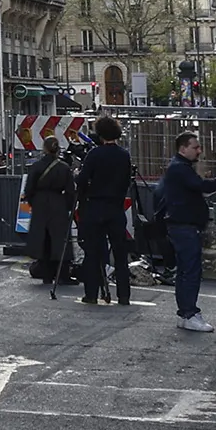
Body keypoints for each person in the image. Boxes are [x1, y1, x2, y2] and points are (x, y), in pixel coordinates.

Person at [161, 130, 216, 332]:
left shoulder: (180, 168)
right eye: (195, 147)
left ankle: (186, 312)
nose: (199, 151)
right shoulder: (180, 169)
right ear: (183, 148)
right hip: (185, 226)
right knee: (190, 271)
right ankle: (189, 313)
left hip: (182, 225)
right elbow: (204, 187)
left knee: (185, 270)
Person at [76, 114, 134, 307]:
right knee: (119, 253)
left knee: (93, 252)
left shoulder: (94, 154)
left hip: (96, 206)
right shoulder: (124, 155)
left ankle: (91, 293)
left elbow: (83, 180)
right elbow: (127, 180)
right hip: (115, 207)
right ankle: (124, 295)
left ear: (100, 134)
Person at [22, 136, 75, 294]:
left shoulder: (37, 166)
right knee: (60, 239)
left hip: (40, 203)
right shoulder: (64, 167)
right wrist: (67, 205)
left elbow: (29, 189)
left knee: (43, 238)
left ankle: (46, 273)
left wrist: (34, 202)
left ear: (44, 149)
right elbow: (71, 191)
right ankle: (63, 274)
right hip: (58, 202)